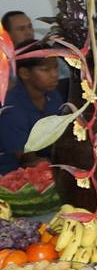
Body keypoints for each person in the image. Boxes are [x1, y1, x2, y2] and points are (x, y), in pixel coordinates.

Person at [0, 41, 63, 173]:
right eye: (46, 70)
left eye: (55, 67)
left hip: (47, 163)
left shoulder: (53, 96)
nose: (55, 74)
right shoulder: (11, 107)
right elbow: (27, 160)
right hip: (12, 175)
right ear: (24, 73)